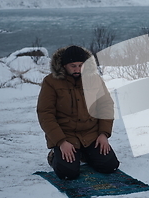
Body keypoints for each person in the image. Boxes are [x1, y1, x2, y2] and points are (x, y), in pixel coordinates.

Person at [37, 45, 119, 180]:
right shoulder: (51, 82)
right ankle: (54, 156)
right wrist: (61, 141)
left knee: (110, 166)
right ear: (64, 66)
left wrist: (103, 133)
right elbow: (45, 113)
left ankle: (84, 153)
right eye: (73, 66)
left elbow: (106, 105)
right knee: (68, 173)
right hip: (66, 135)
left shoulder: (94, 79)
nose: (77, 69)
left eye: (81, 65)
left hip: (91, 133)